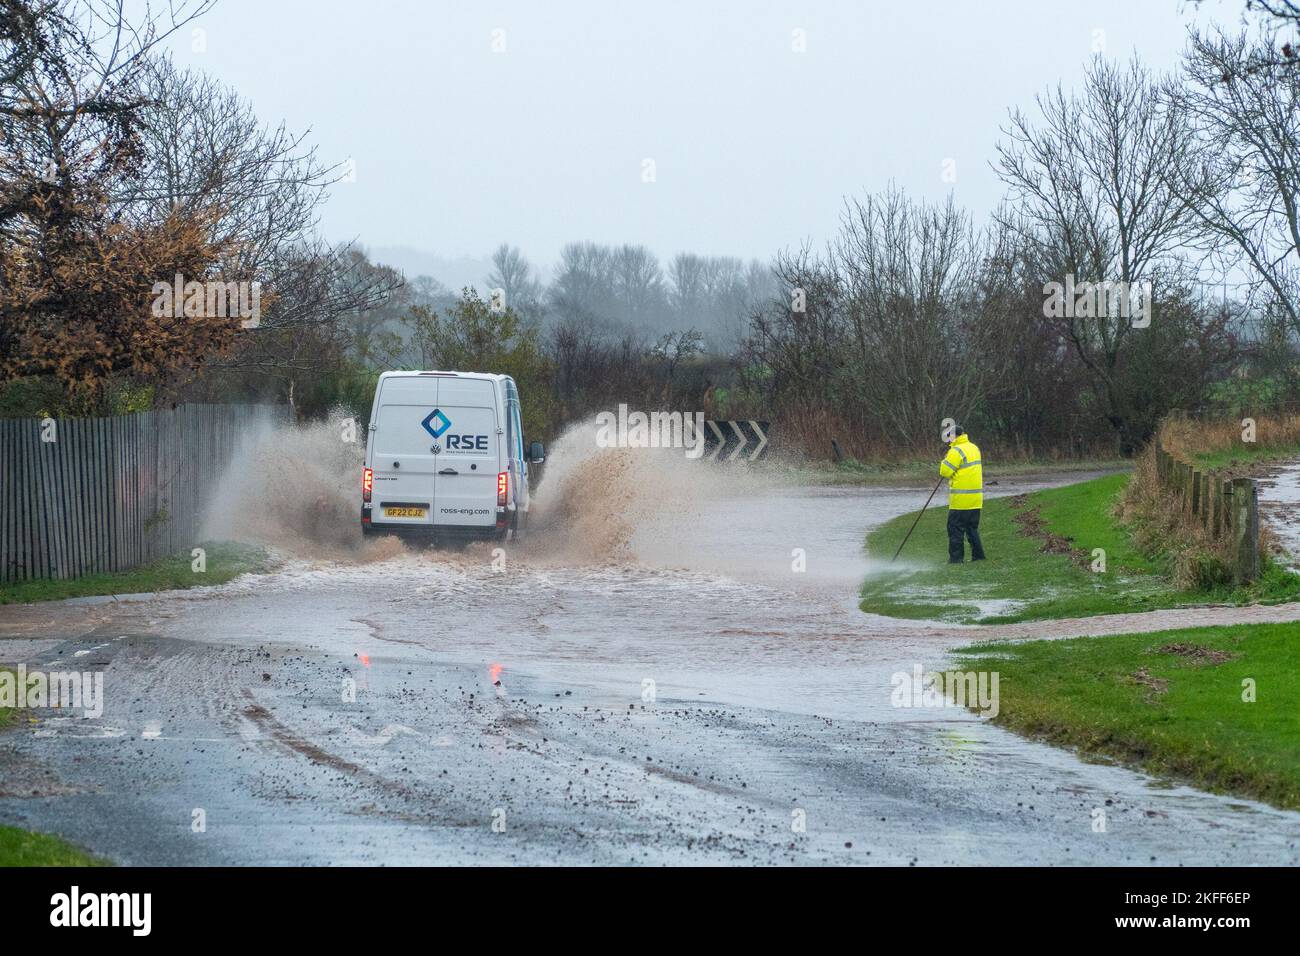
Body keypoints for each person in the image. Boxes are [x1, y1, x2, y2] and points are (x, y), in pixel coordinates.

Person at [938, 425, 985, 563]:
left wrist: (945, 459)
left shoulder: (955, 451)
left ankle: (956, 559)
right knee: (972, 529)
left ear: (953, 436)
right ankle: (978, 556)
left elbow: (945, 472)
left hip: (960, 500)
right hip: (976, 499)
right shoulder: (974, 448)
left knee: (955, 529)